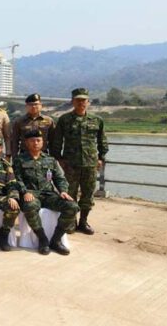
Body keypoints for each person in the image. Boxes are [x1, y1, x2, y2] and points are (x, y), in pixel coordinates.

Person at [49, 88, 108, 235]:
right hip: (70, 164)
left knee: (88, 195)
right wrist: (59, 159)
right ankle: (71, 221)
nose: (81, 103)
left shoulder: (97, 120)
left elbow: (102, 141)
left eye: (83, 100)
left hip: (90, 164)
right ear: (72, 101)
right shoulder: (64, 120)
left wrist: (101, 158)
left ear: (88, 102)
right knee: (70, 193)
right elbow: (57, 141)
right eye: (78, 100)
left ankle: (83, 221)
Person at [14, 130, 80, 255]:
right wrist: (24, 192)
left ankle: (56, 240)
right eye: (32, 141)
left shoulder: (50, 160)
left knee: (72, 206)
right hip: (31, 194)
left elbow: (60, 178)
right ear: (26, 143)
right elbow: (17, 179)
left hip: (49, 194)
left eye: (38, 140)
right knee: (29, 207)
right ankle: (43, 239)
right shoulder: (19, 160)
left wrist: (63, 191)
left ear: (42, 142)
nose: (35, 143)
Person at [10, 93, 55, 159]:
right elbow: (14, 141)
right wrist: (14, 157)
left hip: (43, 155)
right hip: (24, 156)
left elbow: (53, 141)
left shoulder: (49, 121)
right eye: (30, 104)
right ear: (26, 106)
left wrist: (53, 157)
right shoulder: (19, 121)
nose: (33, 106)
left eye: (36, 104)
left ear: (41, 106)